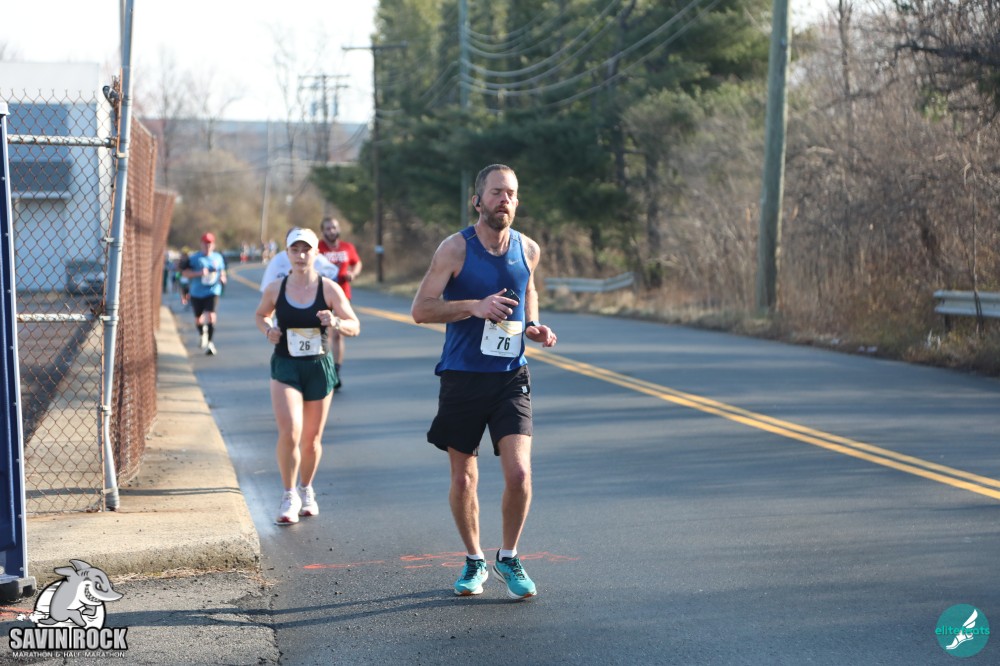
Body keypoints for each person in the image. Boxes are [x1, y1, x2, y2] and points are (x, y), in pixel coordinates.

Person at [411, 164, 557, 599]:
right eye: (496, 192)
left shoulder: (528, 249)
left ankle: (508, 557)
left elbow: (527, 290)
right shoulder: (455, 249)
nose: (504, 200)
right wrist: (473, 306)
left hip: (511, 375)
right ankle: (474, 559)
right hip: (463, 376)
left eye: (510, 193)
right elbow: (421, 309)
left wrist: (533, 325)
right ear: (477, 201)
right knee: (464, 480)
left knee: (520, 473)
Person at [254, 227, 360, 525]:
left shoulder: (329, 289)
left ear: (316, 253)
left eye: (306, 250)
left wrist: (335, 321)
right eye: (295, 250)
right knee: (290, 431)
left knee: (311, 440)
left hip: (318, 366)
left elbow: (354, 325)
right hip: (286, 365)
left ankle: (306, 488)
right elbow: (261, 315)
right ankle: (289, 495)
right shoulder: (276, 288)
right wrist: (269, 330)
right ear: (287, 253)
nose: (301, 255)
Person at [317, 217, 362, 391]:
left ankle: (336, 370)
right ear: (323, 231)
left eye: (334, 228)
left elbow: (357, 263)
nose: (331, 231)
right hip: (321, 294)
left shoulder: (347, 247)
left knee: (338, 333)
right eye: (328, 228)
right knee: (325, 334)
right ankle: (325, 369)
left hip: (342, 295)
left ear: (338, 229)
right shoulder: (317, 248)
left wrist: (353, 273)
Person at [183, 233, 227, 355]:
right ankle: (202, 334)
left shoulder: (218, 257)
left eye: (210, 244)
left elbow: (222, 270)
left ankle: (210, 343)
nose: (207, 246)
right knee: (198, 319)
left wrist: (223, 277)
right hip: (196, 292)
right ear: (201, 244)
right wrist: (199, 273)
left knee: (211, 315)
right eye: (205, 243)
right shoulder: (194, 258)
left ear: (213, 245)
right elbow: (185, 273)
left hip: (213, 290)